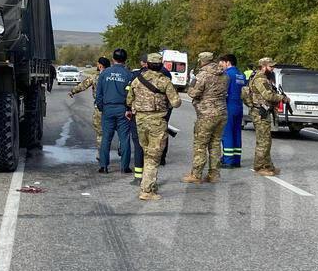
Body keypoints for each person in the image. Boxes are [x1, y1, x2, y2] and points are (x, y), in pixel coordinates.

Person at [126, 53, 181, 200]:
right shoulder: (165, 82)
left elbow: (129, 100)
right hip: (157, 122)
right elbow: (176, 102)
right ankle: (147, 190)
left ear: (147, 64)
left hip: (141, 121)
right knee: (153, 156)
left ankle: (149, 183)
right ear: (161, 65)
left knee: (146, 153)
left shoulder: (137, 80)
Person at [184, 52, 230, 184]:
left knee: (200, 144)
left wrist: (192, 86)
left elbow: (193, 93)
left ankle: (196, 174)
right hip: (222, 112)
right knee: (215, 143)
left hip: (206, 114)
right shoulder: (224, 75)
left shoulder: (202, 75)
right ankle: (214, 174)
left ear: (202, 61)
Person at [95, 48, 134, 174]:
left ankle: (104, 166)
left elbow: (98, 94)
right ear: (125, 60)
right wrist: (128, 109)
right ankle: (124, 167)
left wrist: (102, 108)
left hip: (108, 108)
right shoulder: (129, 74)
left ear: (113, 59)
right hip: (123, 109)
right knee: (124, 138)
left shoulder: (104, 73)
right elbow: (131, 94)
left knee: (106, 138)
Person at [246, 56, 286, 175]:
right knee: (263, 141)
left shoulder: (264, 78)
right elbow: (268, 95)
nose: (273, 69)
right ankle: (259, 167)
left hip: (263, 112)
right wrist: (282, 98)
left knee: (267, 140)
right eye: (270, 66)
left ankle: (268, 166)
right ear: (263, 66)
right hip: (260, 113)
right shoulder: (260, 79)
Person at [69, 57, 112, 146]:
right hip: (114, 107)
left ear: (100, 66)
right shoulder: (113, 77)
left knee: (100, 133)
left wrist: (73, 91)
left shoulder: (95, 77)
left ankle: (101, 153)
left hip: (100, 108)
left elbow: (83, 85)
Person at [220, 54, 247, 168]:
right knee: (236, 132)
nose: (221, 66)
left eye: (222, 63)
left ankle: (228, 160)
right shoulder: (241, 75)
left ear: (228, 62)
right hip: (239, 107)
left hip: (229, 106)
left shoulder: (227, 74)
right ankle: (236, 159)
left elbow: (222, 91)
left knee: (227, 133)